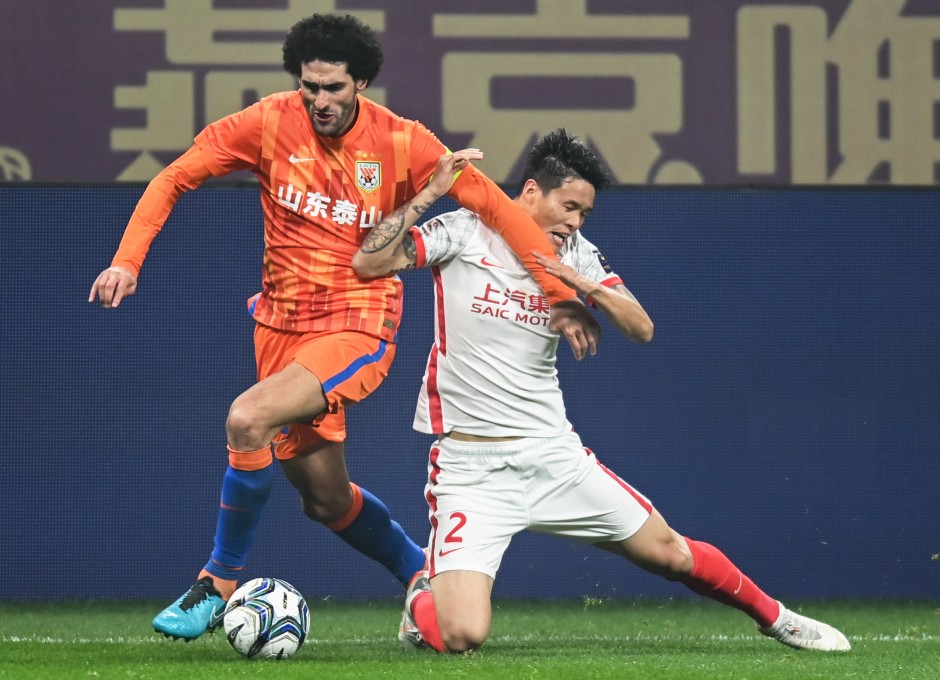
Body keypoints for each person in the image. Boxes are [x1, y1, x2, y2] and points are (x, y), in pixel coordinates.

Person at [88, 14, 599, 641]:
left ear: (361, 82)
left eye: (334, 87)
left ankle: (216, 583)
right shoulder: (267, 122)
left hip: (358, 323)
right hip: (279, 325)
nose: (320, 100)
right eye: (310, 87)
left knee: (247, 419)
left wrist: (556, 292)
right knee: (325, 500)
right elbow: (175, 177)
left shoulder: (403, 142)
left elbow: (497, 206)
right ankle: (417, 572)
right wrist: (126, 260)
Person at [352, 129, 852, 654]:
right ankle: (420, 597)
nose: (575, 221)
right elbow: (370, 262)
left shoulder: (579, 255)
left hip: (552, 456)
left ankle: (777, 618)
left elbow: (642, 328)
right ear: (529, 193)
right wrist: (431, 192)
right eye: (568, 206)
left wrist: (579, 284)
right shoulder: (463, 231)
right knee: (460, 635)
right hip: (471, 469)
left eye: (584, 213)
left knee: (670, 553)